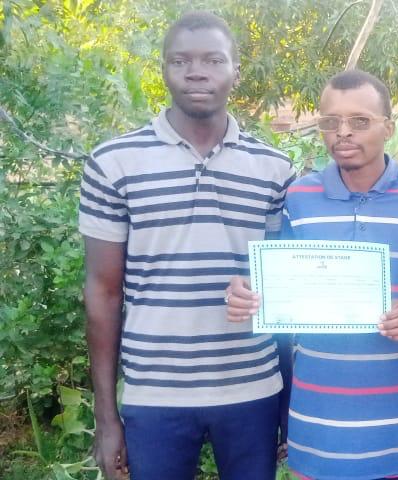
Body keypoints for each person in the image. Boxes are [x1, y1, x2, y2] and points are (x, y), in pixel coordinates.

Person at [79, 11, 294, 480]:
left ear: (236, 71)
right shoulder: (114, 163)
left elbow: (283, 290)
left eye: (213, 60)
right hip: (154, 395)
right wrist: (105, 415)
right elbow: (102, 292)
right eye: (181, 60)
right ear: (163, 69)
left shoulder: (275, 169)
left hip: (252, 389)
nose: (197, 72)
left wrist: (287, 404)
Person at [225, 70, 398, 480]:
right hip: (320, 417)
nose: (343, 132)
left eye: (360, 121)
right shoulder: (299, 197)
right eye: (330, 122)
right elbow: (282, 279)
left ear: (388, 126)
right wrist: (250, 291)